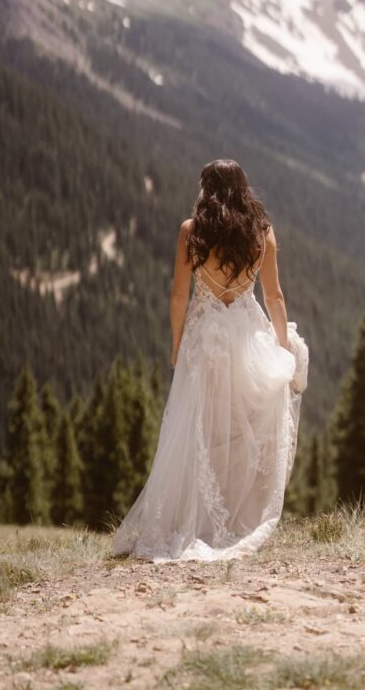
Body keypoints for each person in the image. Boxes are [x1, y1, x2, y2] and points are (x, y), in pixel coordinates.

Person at [111, 158, 307, 562]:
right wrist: (282, 347)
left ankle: (199, 520)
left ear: (207, 190)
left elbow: (179, 296)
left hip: (206, 342)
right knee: (240, 431)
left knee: (200, 432)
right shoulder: (262, 233)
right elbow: (274, 298)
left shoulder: (191, 232)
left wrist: (178, 343)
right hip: (248, 338)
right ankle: (237, 521)